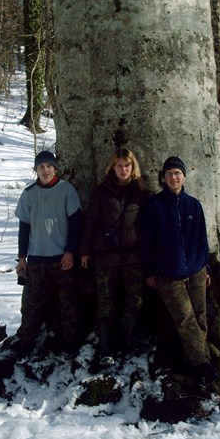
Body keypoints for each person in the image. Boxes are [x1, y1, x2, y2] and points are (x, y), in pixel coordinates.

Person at [141, 156, 216, 384]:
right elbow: (147, 243)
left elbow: (203, 238)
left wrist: (207, 267)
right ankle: (202, 365)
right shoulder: (154, 206)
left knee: (201, 317)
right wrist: (150, 272)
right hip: (168, 273)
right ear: (163, 178)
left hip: (196, 269)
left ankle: (195, 361)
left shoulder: (193, 204)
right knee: (185, 319)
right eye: (169, 173)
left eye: (177, 173)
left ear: (183, 176)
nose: (174, 177)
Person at [80, 147, 148, 366]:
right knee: (105, 303)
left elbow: (147, 226)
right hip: (105, 256)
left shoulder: (140, 191)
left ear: (133, 167)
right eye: (119, 165)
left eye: (127, 165)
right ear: (113, 167)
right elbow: (90, 223)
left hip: (132, 257)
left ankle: (129, 343)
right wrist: (85, 252)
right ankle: (106, 348)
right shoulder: (102, 191)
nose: (123, 169)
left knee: (134, 301)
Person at [13, 149, 83, 358]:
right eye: (41, 167)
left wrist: (71, 251)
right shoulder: (29, 194)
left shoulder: (66, 190)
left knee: (68, 303)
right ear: (36, 170)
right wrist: (22, 258)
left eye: (49, 166)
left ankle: (71, 343)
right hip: (36, 259)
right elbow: (24, 227)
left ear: (55, 169)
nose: (45, 170)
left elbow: (77, 223)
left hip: (62, 258)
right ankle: (26, 342)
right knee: (31, 304)